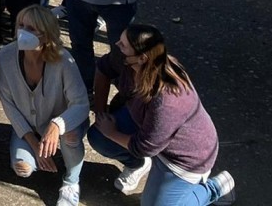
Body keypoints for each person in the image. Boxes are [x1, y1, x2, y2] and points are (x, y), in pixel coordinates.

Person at [89, 24, 236, 205]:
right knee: (98, 136)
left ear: (142, 58)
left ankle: (214, 188)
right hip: (147, 126)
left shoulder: (168, 99)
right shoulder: (129, 61)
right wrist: (100, 111)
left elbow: (145, 148)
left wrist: (111, 132)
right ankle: (139, 165)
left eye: (123, 45)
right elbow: (103, 68)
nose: (117, 44)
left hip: (183, 157)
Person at [0, 6, 89, 206]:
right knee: (23, 168)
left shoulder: (64, 60)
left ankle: (71, 182)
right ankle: (43, 150)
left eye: (31, 28)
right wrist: (35, 144)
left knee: (70, 136)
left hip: (63, 125)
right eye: (21, 25)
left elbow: (81, 104)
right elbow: (9, 105)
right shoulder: (5, 56)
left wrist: (57, 125)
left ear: (46, 35)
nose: (23, 32)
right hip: (30, 128)